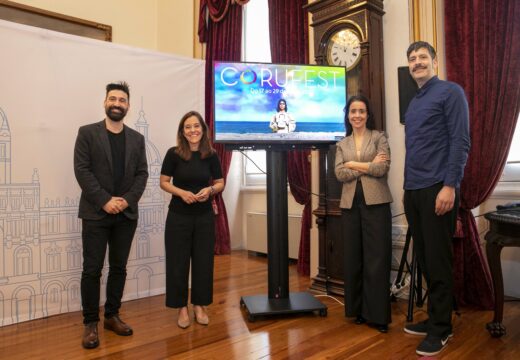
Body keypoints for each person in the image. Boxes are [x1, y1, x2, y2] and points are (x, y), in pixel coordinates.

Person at [403, 41, 470, 357]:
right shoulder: (414, 102)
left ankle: (442, 329)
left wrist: (450, 186)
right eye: (413, 59)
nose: (417, 62)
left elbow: (460, 141)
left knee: (439, 259)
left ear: (435, 61)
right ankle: (435, 318)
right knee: (427, 259)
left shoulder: (450, 92)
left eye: (423, 57)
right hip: (413, 190)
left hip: (437, 189)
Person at [74, 81, 149, 349]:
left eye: (122, 100)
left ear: (128, 105)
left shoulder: (137, 139)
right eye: (113, 99)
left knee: (119, 268)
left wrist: (125, 201)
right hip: (96, 213)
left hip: (125, 215)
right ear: (105, 102)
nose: (117, 103)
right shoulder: (87, 133)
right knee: (92, 270)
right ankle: (91, 323)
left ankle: (112, 316)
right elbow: (82, 171)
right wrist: (105, 201)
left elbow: (142, 174)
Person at [160, 111, 224, 329]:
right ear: (182, 131)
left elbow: (220, 182)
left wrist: (211, 189)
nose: (192, 130)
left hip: (204, 216)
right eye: (187, 127)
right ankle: (182, 308)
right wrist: (181, 193)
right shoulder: (173, 154)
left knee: (203, 262)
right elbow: (164, 182)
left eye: (196, 126)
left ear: (203, 129)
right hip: (178, 216)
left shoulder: (211, 155)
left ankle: (199, 305)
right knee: (178, 263)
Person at [334, 95, 393, 333]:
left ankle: (377, 315)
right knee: (354, 260)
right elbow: (339, 174)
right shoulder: (342, 143)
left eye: (362, 111)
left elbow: (382, 168)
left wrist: (353, 165)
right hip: (350, 205)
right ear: (348, 115)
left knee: (376, 260)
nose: (357, 115)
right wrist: (367, 165)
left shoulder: (379, 137)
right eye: (353, 111)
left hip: (376, 204)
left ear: (368, 114)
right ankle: (358, 311)